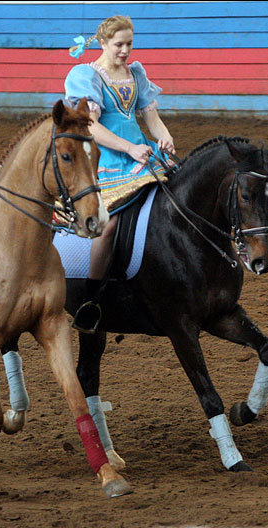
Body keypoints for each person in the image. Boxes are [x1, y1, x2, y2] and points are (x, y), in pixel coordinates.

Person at [65, 15, 176, 334]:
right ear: (103, 43)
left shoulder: (135, 73)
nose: (125, 50)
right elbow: (91, 126)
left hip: (141, 152)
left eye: (129, 43)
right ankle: (91, 297)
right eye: (119, 44)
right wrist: (128, 148)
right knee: (110, 224)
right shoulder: (88, 77)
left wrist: (163, 136)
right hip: (108, 158)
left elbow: (151, 117)